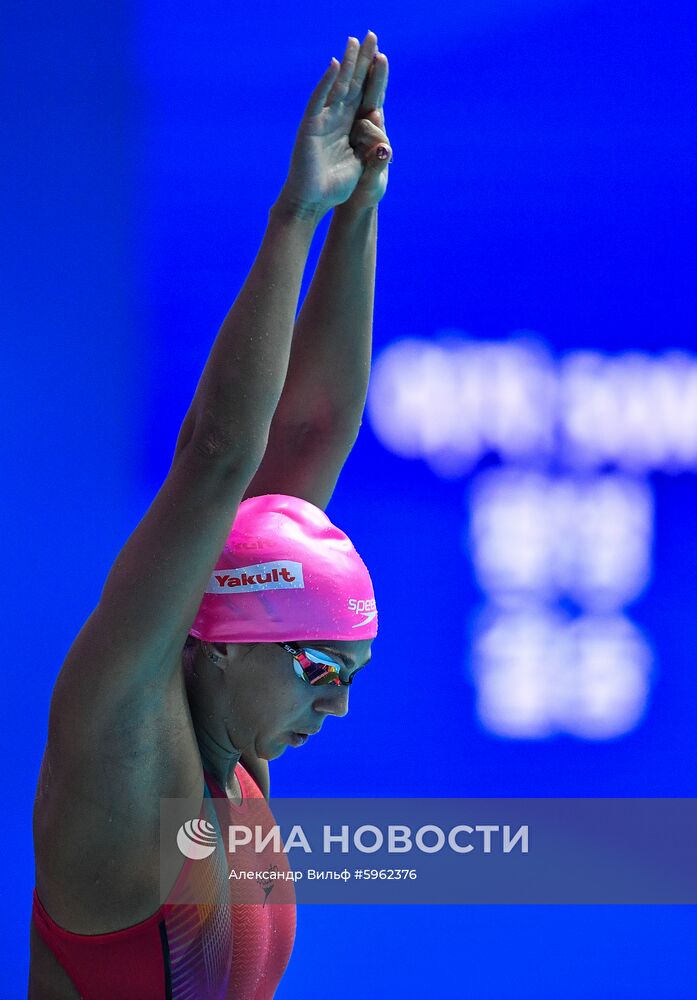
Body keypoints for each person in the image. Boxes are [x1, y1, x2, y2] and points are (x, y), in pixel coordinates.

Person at [28, 29, 391, 999]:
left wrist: (357, 217)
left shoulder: (235, 749)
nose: (339, 703)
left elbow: (310, 431)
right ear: (232, 638)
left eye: (351, 673)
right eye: (321, 668)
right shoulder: (125, 743)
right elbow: (218, 456)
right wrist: (295, 216)